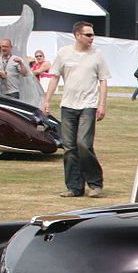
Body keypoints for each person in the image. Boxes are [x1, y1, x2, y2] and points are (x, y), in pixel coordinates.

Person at [42, 21, 109, 198]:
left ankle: (95, 182)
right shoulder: (64, 53)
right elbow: (54, 77)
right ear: (78, 35)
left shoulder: (97, 55)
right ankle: (74, 187)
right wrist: (47, 100)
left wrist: (102, 104)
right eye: (88, 35)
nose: (92, 38)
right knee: (69, 147)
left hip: (88, 105)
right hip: (68, 105)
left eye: (93, 35)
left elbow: (103, 81)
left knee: (83, 144)